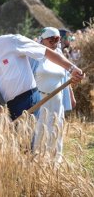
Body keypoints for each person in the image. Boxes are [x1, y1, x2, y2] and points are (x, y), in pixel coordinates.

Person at [0, 24, 84, 120]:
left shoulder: (10, 42)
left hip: (27, 99)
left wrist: (72, 69)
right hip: (3, 107)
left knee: (26, 144)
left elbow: (45, 51)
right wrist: (0, 117)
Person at [30, 27, 76, 162]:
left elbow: (66, 78)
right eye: (51, 39)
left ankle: (55, 161)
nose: (55, 42)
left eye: (57, 39)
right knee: (39, 129)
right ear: (43, 40)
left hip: (57, 99)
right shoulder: (35, 55)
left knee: (56, 128)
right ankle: (37, 160)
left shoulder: (60, 56)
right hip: (41, 99)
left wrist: (71, 96)